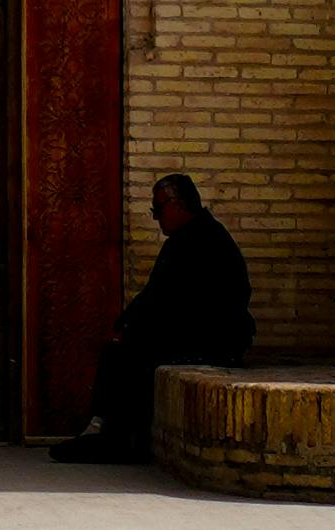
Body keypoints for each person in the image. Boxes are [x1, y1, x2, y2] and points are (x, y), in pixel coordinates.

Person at [51, 170, 254, 461]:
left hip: (213, 342)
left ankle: (115, 438)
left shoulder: (205, 241)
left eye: (158, 210)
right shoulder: (187, 239)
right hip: (198, 334)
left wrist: (134, 327)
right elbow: (156, 295)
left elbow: (176, 302)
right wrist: (127, 322)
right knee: (119, 352)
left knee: (129, 356)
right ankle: (108, 431)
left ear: (176, 205)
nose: (157, 218)